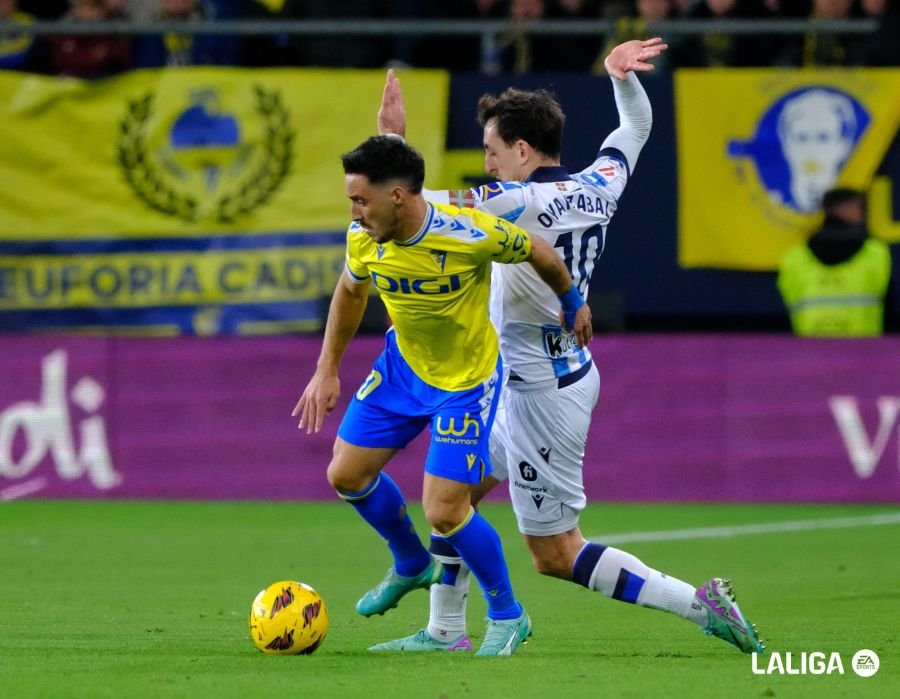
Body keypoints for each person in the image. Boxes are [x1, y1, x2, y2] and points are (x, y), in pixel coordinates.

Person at [370, 38, 765, 655]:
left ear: (522, 150)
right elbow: (635, 127)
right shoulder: (598, 184)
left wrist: (392, 141)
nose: (487, 163)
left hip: (543, 395)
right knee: (450, 500)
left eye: (492, 150)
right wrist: (621, 77)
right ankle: (445, 630)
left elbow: (412, 207)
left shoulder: (513, 201)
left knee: (555, 554)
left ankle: (700, 602)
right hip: (524, 379)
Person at [292, 135, 593, 656]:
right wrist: (327, 370)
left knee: (445, 510)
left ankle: (507, 614)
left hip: (465, 383)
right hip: (403, 370)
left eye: (361, 200)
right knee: (345, 474)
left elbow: (538, 250)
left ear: (398, 197)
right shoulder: (363, 238)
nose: (354, 212)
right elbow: (351, 291)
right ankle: (411, 563)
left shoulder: (469, 232)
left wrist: (572, 301)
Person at [778, 188, 892, 336]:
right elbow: (890, 305)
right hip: (864, 346)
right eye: (859, 208)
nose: (863, 215)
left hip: (810, 345)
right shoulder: (876, 253)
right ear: (845, 209)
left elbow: (786, 305)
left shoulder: (795, 258)